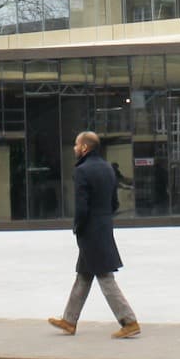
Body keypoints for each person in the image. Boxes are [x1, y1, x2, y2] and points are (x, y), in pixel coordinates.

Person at [47, 130, 141, 338]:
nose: (74, 148)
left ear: (85, 148)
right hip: (103, 227)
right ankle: (69, 321)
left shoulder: (82, 171)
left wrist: (78, 227)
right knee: (84, 275)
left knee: (105, 276)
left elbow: (81, 207)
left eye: (76, 144)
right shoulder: (108, 168)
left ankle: (129, 321)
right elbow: (114, 203)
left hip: (90, 231)